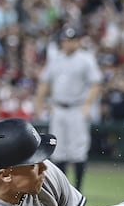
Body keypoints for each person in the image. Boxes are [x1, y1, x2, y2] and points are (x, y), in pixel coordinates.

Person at [34, 26, 103, 192]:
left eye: (71, 40)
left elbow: (96, 84)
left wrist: (87, 104)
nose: (68, 43)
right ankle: (62, 190)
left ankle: (78, 190)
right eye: (65, 40)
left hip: (77, 108)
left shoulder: (86, 59)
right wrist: (38, 102)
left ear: (78, 41)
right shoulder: (56, 59)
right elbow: (45, 82)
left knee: (78, 150)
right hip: (58, 107)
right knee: (58, 151)